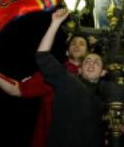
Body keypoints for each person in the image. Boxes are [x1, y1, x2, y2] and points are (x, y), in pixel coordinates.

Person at [0, 9, 90, 147]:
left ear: (89, 52)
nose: (76, 45)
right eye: (73, 43)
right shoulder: (54, 72)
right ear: (66, 51)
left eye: (82, 44)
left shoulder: (97, 76)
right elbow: (17, 89)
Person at [35, 8, 106, 147]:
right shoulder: (68, 82)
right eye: (87, 61)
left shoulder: (103, 100)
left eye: (96, 62)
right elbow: (42, 56)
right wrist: (55, 24)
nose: (91, 63)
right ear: (79, 69)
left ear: (103, 72)